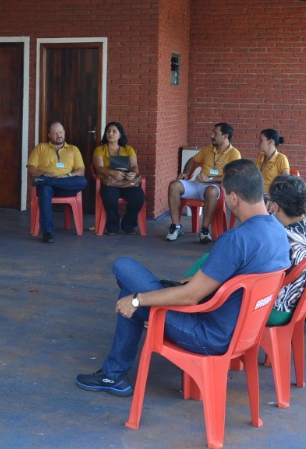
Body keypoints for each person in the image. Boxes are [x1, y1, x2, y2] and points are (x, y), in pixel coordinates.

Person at [75, 159, 290, 396]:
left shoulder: (236, 240)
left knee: (124, 271)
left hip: (209, 334)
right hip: (243, 330)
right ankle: (113, 372)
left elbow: (190, 296)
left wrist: (137, 300)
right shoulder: (278, 231)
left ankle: (113, 375)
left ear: (233, 198)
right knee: (138, 285)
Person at [264, 175, 306, 325]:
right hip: (300, 304)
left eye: (268, 200)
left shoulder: (279, 240)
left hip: (275, 310)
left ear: (275, 206)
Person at [167, 122, 241, 244]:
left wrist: (210, 179)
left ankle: (205, 229)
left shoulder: (234, 154)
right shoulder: (208, 149)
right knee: (174, 185)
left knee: (211, 191)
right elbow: (193, 160)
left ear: (225, 136)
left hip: (215, 186)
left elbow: (233, 176)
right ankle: (176, 226)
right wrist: (186, 172)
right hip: (197, 184)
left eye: (215, 133)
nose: (211, 136)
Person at [26, 122, 87, 244]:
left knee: (82, 181)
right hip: (48, 187)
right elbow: (31, 168)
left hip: (67, 185)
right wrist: (42, 173)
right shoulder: (40, 148)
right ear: (49, 135)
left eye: (60, 132)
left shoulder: (73, 149)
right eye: (54, 133)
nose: (58, 135)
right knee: (45, 190)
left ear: (64, 133)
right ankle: (47, 231)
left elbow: (81, 170)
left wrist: (69, 175)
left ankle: (48, 181)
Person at [92, 122, 145, 236]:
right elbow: (99, 168)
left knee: (138, 198)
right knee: (110, 198)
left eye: (114, 131)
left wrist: (133, 173)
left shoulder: (128, 149)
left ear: (120, 135)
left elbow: (134, 166)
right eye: (108, 131)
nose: (111, 134)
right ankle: (112, 226)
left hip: (126, 182)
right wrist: (112, 172)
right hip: (110, 182)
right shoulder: (100, 149)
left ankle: (128, 225)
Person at [255, 128, 290, 194]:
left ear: (270, 142)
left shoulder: (281, 158)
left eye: (261, 140)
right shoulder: (260, 156)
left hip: (271, 196)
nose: (259, 143)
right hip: (257, 194)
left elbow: (285, 182)